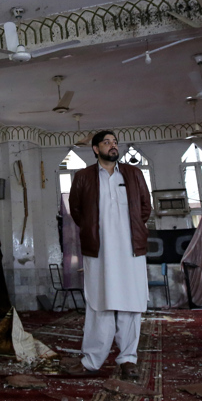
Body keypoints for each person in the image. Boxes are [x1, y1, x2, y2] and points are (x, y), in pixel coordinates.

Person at [65, 131, 151, 380]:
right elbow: (77, 210)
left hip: (131, 250)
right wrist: (97, 232)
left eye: (115, 142)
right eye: (107, 142)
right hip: (99, 251)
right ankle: (92, 361)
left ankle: (127, 359)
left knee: (131, 305)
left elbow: (145, 207)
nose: (113, 146)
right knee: (99, 304)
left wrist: (128, 230)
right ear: (95, 149)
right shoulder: (83, 177)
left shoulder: (133, 174)